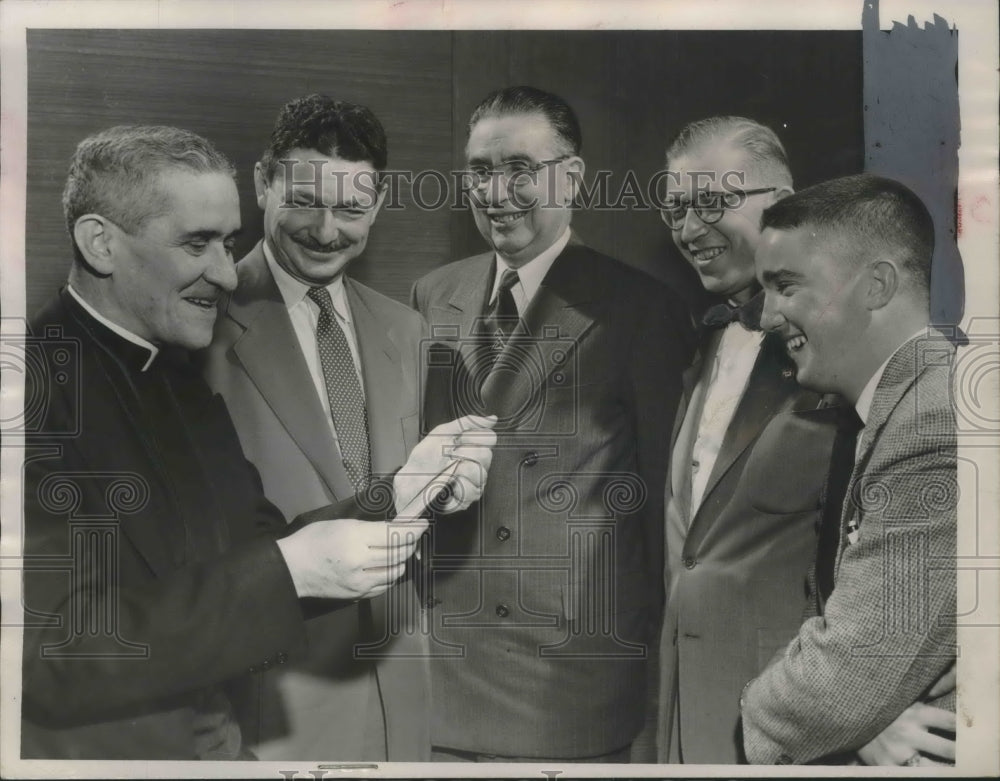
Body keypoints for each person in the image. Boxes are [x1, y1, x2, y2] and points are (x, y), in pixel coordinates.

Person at [20, 124, 496, 760]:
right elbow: (55, 654)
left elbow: (262, 544)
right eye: (197, 245)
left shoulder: (176, 379)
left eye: (228, 244)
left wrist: (402, 491)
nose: (223, 274)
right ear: (100, 243)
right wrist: (290, 570)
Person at [411, 85, 693, 762]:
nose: (496, 190)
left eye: (518, 168)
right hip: (445, 669)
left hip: (569, 680)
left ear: (572, 176)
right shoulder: (433, 293)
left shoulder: (641, 307)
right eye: (480, 169)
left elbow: (660, 504)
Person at [200, 94, 431, 760]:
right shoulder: (198, 326)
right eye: (304, 201)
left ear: (379, 200)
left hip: (402, 693)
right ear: (260, 183)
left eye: (353, 209)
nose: (329, 231)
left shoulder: (406, 329)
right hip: (271, 704)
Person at [741, 173, 957, 765]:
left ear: (877, 285)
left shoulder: (932, 422)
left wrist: (755, 711)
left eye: (786, 286)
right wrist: (868, 719)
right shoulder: (901, 407)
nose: (766, 317)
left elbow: (844, 685)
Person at [652, 116, 836, 764]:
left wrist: (877, 709)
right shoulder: (704, 339)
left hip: (792, 726)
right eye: (676, 208)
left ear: (782, 200)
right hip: (683, 721)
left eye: (711, 202)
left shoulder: (842, 345)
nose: (689, 229)